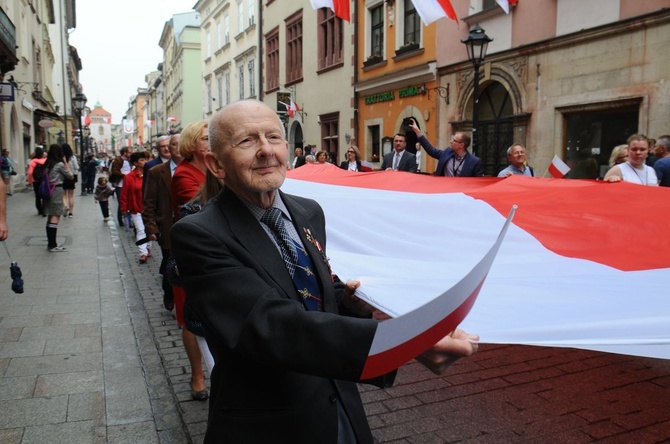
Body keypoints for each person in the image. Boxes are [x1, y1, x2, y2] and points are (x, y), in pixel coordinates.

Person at [170, 99, 479, 442]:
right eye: (247, 141)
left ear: (287, 147)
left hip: (337, 405)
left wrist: (349, 302)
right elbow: (269, 325)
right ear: (216, 164)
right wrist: (403, 342)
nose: (265, 151)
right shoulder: (198, 234)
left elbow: (313, 293)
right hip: (268, 424)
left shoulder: (308, 211)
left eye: (273, 137)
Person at [170, 121, 209, 401]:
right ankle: (197, 374)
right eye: (208, 138)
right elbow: (201, 207)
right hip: (189, 253)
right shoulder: (184, 174)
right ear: (194, 144)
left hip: (215, 248)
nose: (213, 141)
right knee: (189, 317)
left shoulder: (214, 167)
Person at [143, 133, 182, 311]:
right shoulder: (156, 172)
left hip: (191, 226)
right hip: (167, 227)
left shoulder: (198, 169)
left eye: (180, 144)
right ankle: (169, 291)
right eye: (173, 145)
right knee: (169, 262)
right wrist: (151, 227)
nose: (174, 148)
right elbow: (149, 202)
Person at [408, 119, 483, 177]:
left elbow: (477, 182)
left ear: (461, 145)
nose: (451, 141)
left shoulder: (474, 162)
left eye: (454, 140)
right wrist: (417, 132)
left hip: (461, 194)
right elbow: (431, 150)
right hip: (444, 192)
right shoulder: (447, 153)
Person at [120, 151, 151, 263]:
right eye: (142, 160)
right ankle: (143, 252)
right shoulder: (129, 177)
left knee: (149, 229)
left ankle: (147, 247)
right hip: (136, 207)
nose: (145, 162)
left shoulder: (151, 174)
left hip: (149, 207)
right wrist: (123, 208)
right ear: (135, 163)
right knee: (141, 229)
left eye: (146, 159)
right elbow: (124, 193)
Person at [43, 144, 74, 252]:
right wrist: (65, 162)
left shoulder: (47, 164)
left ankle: (51, 243)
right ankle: (53, 245)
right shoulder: (59, 164)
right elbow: (71, 176)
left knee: (50, 217)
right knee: (56, 216)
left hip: (47, 190)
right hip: (56, 191)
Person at [110, 147, 132, 228]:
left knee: (129, 202)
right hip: (120, 184)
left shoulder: (130, 160)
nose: (130, 153)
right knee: (121, 203)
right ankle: (120, 220)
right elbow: (115, 171)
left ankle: (129, 220)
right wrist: (125, 176)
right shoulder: (118, 160)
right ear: (124, 153)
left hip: (129, 184)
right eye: (129, 152)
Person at [27, 147, 47, 216]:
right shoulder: (45, 161)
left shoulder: (32, 161)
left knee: (37, 196)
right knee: (44, 195)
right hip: (44, 180)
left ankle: (40, 210)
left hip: (36, 180)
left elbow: (30, 173)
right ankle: (44, 210)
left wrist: (29, 181)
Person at [61, 144, 79, 217]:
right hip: (71, 177)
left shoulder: (60, 157)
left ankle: (65, 206)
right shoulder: (73, 157)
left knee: (64, 195)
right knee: (71, 196)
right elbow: (76, 167)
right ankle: (71, 213)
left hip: (63, 177)